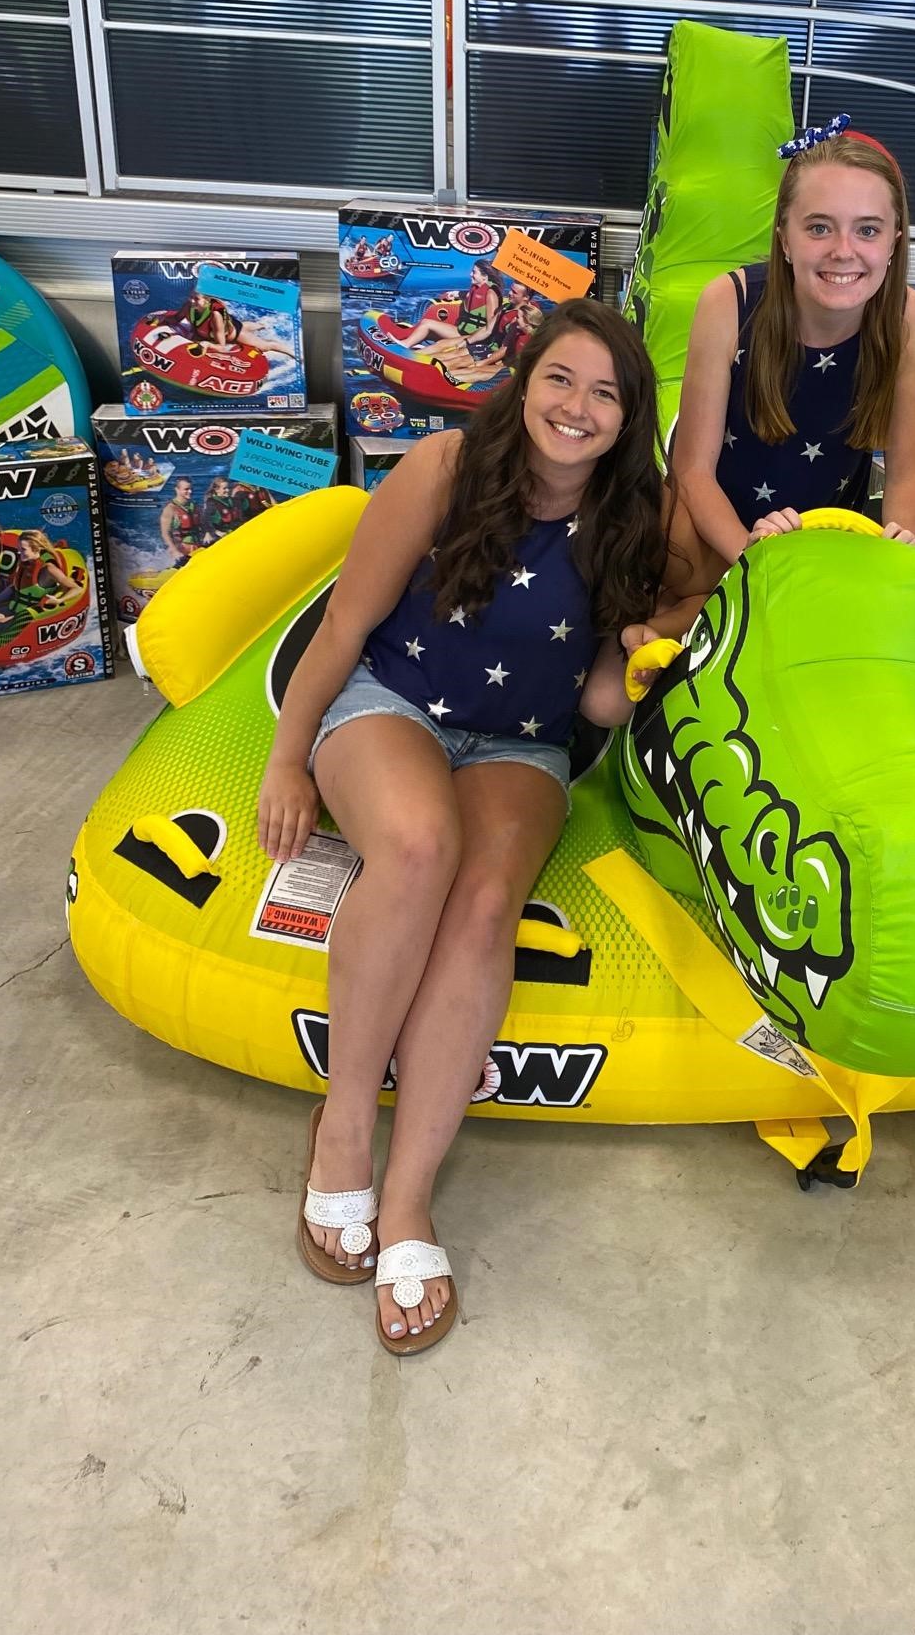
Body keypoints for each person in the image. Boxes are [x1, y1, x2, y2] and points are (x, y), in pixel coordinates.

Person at [256, 299, 667, 1356]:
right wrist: (286, 755)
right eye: (561, 380)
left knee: (485, 902)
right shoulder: (444, 467)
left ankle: (407, 1196)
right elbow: (345, 619)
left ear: (631, 417)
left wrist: (658, 627)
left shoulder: (635, 519)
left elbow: (606, 706)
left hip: (522, 745)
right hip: (389, 706)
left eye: (606, 393)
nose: (578, 408)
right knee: (423, 848)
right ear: (523, 382)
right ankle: (345, 1122)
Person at [668, 121, 915, 600]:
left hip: (823, 536)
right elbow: (693, 473)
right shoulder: (728, 302)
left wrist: (898, 557)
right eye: (818, 228)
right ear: (784, 238)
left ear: (895, 239)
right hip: (713, 529)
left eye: (867, 230)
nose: (843, 251)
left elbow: (907, 474)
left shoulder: (908, 317)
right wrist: (755, 559)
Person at [398, 260, 507, 384]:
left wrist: (471, 340)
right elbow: (472, 296)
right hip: (463, 331)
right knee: (427, 324)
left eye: (474, 272)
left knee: (442, 344)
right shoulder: (478, 288)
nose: (470, 274)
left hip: (476, 336)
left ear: (485, 277)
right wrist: (456, 294)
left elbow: (491, 326)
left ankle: (410, 359)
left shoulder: (491, 293)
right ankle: (406, 351)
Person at [159, 478, 199, 568]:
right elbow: (165, 533)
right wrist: (174, 551)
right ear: (177, 490)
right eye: (186, 489)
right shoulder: (170, 509)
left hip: (197, 549)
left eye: (191, 489)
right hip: (181, 552)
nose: (190, 491)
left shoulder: (194, 506)